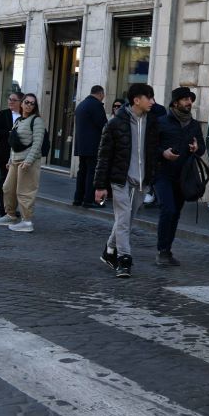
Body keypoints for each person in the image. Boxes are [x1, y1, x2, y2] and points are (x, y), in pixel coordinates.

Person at [94, 84, 161, 278]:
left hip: (142, 181)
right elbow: (104, 156)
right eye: (149, 97)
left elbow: (156, 149)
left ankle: (108, 250)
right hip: (120, 179)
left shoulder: (153, 122)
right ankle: (124, 259)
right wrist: (100, 186)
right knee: (123, 219)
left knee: (128, 220)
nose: (152, 102)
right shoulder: (115, 124)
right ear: (136, 100)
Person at [154, 87, 206, 266]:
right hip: (163, 174)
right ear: (175, 102)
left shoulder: (194, 124)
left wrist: (196, 149)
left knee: (175, 213)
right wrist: (163, 153)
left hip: (184, 176)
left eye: (190, 99)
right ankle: (161, 250)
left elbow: (202, 148)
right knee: (167, 209)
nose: (189, 102)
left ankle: (167, 250)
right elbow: (151, 147)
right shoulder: (161, 122)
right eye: (185, 99)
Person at [0, 93, 46, 233]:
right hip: (15, 161)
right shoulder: (19, 121)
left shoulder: (37, 121)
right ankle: (10, 215)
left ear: (35, 106)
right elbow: (14, 144)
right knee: (7, 188)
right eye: (26, 102)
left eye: (32, 103)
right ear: (21, 104)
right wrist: (10, 160)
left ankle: (27, 222)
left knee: (25, 192)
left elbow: (37, 143)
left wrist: (29, 161)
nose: (28, 105)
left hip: (28, 162)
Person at [0, 91, 22, 219]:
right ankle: (3, 208)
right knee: (5, 181)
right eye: (9, 99)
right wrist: (9, 133)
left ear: (20, 102)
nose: (10, 102)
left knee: (16, 183)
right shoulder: (3, 114)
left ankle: (11, 208)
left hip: (19, 154)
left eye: (14, 100)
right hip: (3, 154)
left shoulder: (25, 115)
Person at [72, 85, 107, 207]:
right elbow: (104, 125)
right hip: (93, 146)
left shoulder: (81, 105)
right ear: (101, 94)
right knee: (91, 173)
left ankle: (78, 199)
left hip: (81, 146)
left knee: (82, 172)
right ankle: (88, 200)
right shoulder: (96, 105)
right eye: (103, 96)